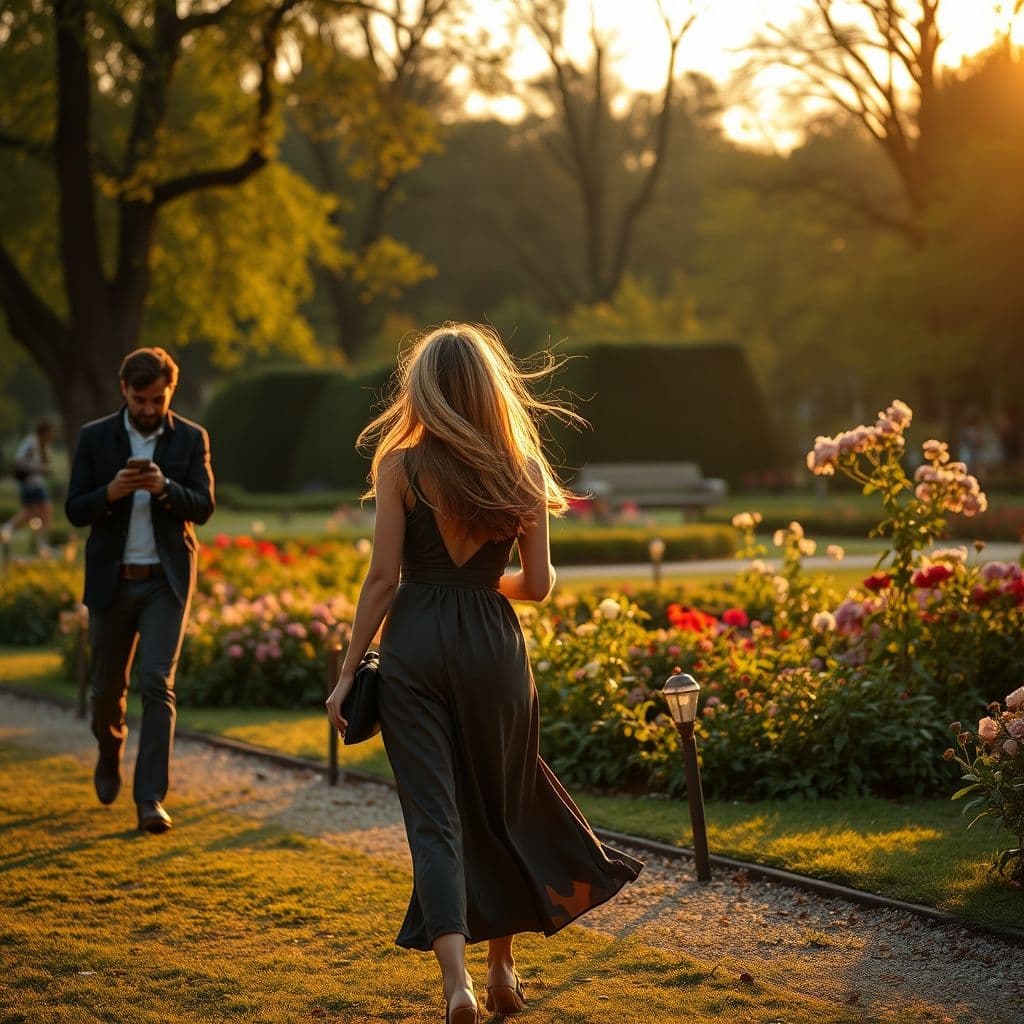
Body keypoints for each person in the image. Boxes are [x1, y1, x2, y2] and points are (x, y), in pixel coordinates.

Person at [325, 324, 642, 1023]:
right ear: (492, 387)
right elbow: (537, 585)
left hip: (413, 647)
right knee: (503, 808)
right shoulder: (522, 468)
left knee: (436, 821)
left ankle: (457, 985)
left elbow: (382, 580)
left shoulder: (402, 467)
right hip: (494, 650)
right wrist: (474, 588)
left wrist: (349, 673)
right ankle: (502, 973)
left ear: (426, 389)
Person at [66, 347, 215, 834]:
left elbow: (205, 506)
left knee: (156, 682)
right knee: (105, 691)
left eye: (158, 399)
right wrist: (110, 494)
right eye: (141, 399)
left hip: (165, 583)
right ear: (124, 391)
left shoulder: (191, 438)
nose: (150, 409)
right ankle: (109, 753)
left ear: (170, 391)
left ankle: (150, 799)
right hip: (112, 582)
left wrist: (164, 487)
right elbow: (74, 509)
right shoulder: (94, 438)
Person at [3, 419, 56, 553]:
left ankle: (7, 528)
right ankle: (41, 544)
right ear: (44, 432)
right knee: (46, 510)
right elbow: (19, 462)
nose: (52, 436)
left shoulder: (41, 445)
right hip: (31, 483)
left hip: (33, 483)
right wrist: (40, 468)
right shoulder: (31, 443)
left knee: (30, 513)